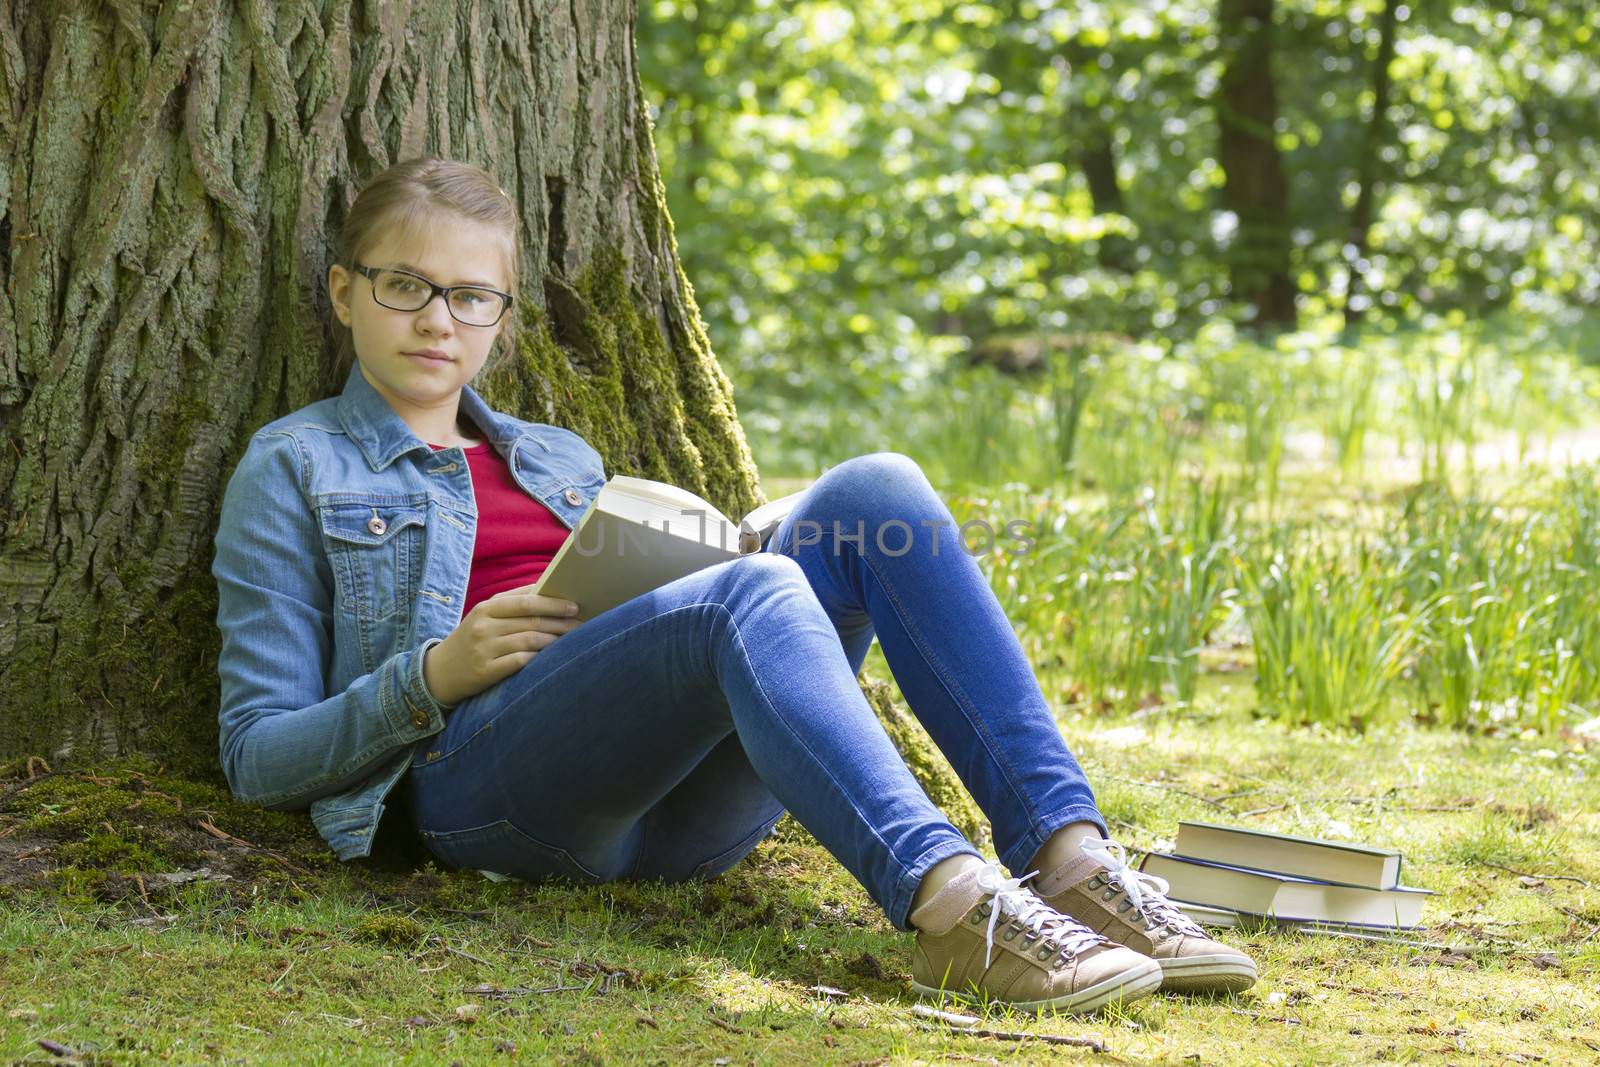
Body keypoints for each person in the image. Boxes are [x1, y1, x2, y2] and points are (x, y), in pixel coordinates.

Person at [211, 157, 1257, 1015]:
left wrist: (739, 547)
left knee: (872, 491)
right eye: (407, 285)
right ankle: (955, 910)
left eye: (472, 296)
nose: (439, 319)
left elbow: (652, 608)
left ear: (502, 314)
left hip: (679, 812)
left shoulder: (559, 457)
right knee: (747, 593)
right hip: (483, 792)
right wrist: (433, 673)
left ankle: (1074, 861)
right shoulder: (295, 465)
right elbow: (257, 755)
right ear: (346, 289)